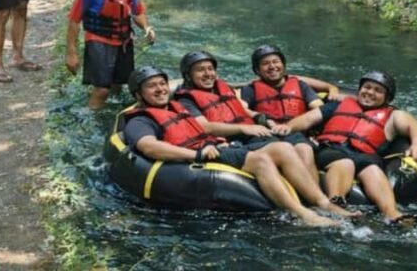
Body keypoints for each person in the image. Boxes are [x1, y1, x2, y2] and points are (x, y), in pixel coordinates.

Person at [123, 66, 350, 226]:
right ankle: (300, 213)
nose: (161, 89)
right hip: (200, 157)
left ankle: (321, 203)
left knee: (282, 148)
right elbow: (149, 147)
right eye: (152, 87)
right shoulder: (140, 120)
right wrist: (196, 154)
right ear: (138, 94)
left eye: (162, 84)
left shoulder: (173, 106)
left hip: (220, 147)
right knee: (261, 160)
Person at [285, 70, 417, 225]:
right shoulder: (338, 105)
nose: (370, 92)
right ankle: (335, 203)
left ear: (387, 97)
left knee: (373, 170)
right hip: (331, 150)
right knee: (345, 162)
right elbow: (307, 120)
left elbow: (414, 126)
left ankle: (392, 214)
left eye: (378, 90)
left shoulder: (393, 115)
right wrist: (286, 128)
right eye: (367, 87)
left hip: (364, 155)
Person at [65, 0, 154, 109]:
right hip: (98, 40)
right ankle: (91, 121)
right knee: (102, 90)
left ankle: (111, 116)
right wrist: (71, 53)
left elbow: (137, 12)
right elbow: (74, 21)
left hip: (123, 41)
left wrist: (146, 27)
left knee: (118, 85)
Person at [239, 44, 340, 181]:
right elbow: (241, 108)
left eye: (276, 62)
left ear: (283, 65)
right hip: (267, 134)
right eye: (265, 64)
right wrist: (260, 118)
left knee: (305, 149)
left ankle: (313, 194)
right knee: (285, 149)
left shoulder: (299, 85)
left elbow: (317, 107)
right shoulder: (250, 89)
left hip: (295, 133)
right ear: (257, 70)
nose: (272, 66)